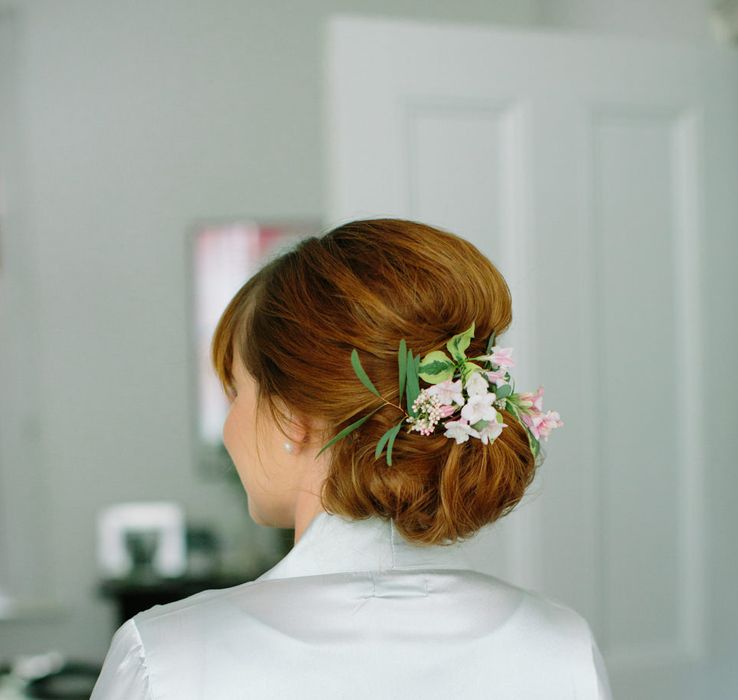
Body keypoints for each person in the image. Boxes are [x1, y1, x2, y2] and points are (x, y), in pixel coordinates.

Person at [90, 218, 613, 699]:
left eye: (237, 393)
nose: (231, 426)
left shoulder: (165, 657)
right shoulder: (562, 645)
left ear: (291, 416)